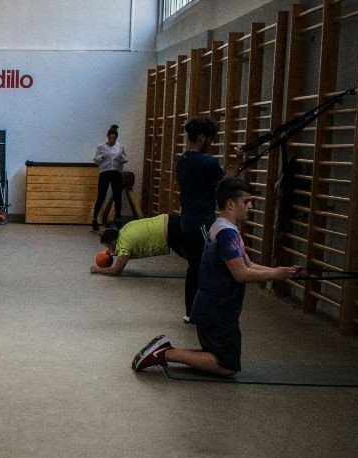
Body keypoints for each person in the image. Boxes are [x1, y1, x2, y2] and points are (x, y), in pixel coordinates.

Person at [131, 180, 301, 377]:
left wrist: (282, 271)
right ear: (231, 203)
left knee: (221, 357)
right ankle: (166, 353)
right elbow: (242, 274)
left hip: (215, 307)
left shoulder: (222, 226)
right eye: (246, 202)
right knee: (227, 366)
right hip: (216, 309)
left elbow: (249, 265)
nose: (251, 207)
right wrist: (276, 275)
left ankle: (165, 350)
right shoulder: (227, 234)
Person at [176, 116, 242, 321]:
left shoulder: (182, 161)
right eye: (211, 139)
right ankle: (198, 312)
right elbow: (225, 184)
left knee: (195, 266)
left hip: (187, 221)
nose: (211, 144)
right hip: (201, 223)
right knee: (204, 267)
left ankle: (191, 312)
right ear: (202, 138)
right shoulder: (208, 162)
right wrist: (239, 161)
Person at [90, 213, 187, 276]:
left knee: (195, 258)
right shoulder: (125, 229)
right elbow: (132, 244)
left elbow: (116, 270)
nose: (109, 249)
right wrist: (117, 252)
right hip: (170, 219)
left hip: (173, 231)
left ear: (114, 242)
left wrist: (98, 269)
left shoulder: (124, 245)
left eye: (109, 246)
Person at [91, 124, 128, 231]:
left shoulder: (120, 147)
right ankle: (94, 219)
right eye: (110, 138)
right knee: (101, 197)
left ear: (116, 138)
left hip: (116, 173)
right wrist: (100, 157)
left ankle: (117, 219)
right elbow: (96, 161)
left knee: (118, 197)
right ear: (107, 137)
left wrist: (123, 160)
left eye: (114, 138)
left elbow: (123, 159)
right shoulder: (101, 147)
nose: (112, 140)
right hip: (104, 173)